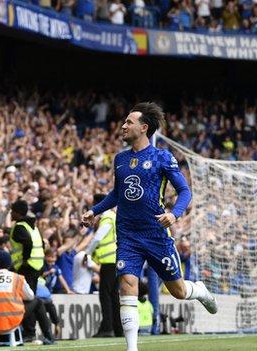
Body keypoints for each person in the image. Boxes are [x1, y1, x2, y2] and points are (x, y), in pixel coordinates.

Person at [82, 102, 218, 351]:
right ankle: (132, 348)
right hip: (128, 234)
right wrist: (94, 210)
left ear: (144, 128)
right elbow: (117, 194)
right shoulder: (120, 159)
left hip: (156, 234)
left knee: (177, 290)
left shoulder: (162, 157)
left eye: (129, 122)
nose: (123, 126)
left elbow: (185, 191)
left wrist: (174, 214)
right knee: (127, 285)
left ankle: (198, 291)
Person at [85, 193, 122, 337]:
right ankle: (118, 329)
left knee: (105, 296)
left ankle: (107, 328)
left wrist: (87, 253)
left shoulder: (107, 217)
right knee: (114, 296)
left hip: (108, 262)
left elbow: (97, 238)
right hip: (116, 260)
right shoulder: (114, 217)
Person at [8, 200, 45, 341]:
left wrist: (24, 260)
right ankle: (30, 331)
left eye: (12, 211)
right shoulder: (33, 227)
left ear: (17, 213)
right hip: (37, 266)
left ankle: (29, 332)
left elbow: (27, 243)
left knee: (27, 300)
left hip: (27, 267)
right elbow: (42, 244)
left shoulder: (19, 227)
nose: (11, 213)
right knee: (31, 298)